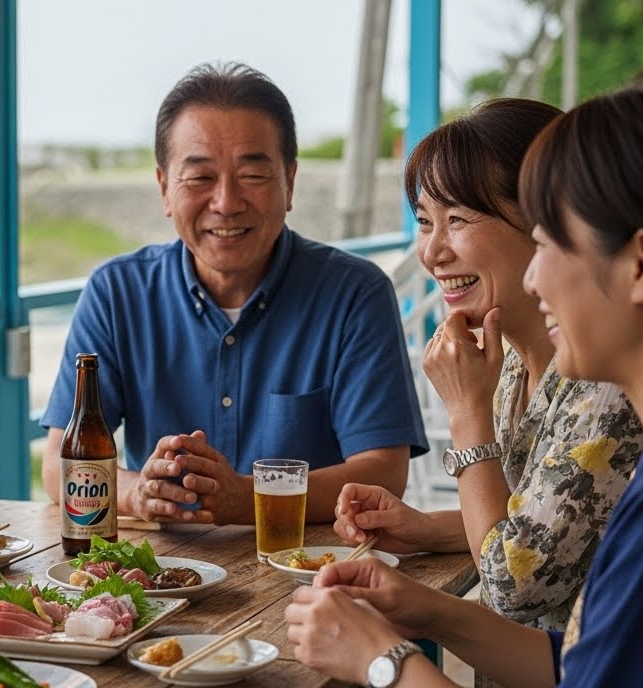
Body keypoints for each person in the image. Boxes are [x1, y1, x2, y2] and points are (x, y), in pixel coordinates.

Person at [286, 70, 643, 688]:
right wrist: (426, 608)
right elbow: (584, 676)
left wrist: (383, 661)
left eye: (549, 242)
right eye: (424, 222)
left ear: (640, 263)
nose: (536, 281)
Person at [40, 62, 427, 525]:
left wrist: (246, 496)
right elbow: (58, 466)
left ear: (290, 182)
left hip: (312, 575)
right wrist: (136, 494)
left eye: (253, 175)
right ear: (165, 188)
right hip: (163, 574)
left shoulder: (355, 294)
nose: (225, 202)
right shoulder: (116, 293)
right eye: (200, 177)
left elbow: (383, 473)